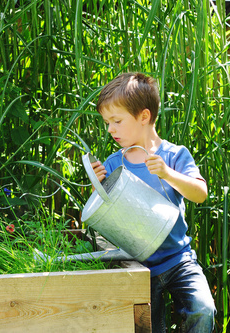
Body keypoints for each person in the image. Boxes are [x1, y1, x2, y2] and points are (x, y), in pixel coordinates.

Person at [91, 72, 216, 332]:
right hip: (138, 265)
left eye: (116, 121)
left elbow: (200, 193)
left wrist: (167, 174)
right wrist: (98, 187)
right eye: (107, 123)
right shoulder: (116, 163)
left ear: (144, 116)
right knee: (147, 328)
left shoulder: (173, 155)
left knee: (203, 310)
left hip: (178, 258)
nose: (110, 129)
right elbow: (109, 218)